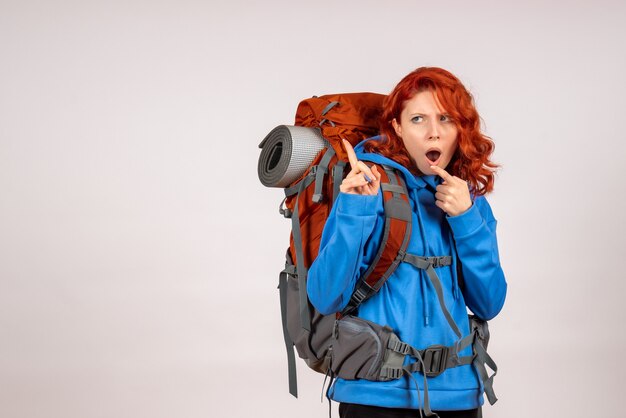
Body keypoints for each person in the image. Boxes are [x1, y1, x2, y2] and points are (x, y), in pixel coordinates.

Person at [307, 67, 507, 418]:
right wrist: (356, 210)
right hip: (376, 397)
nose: (433, 132)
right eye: (418, 119)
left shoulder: (468, 201)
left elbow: (489, 303)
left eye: (445, 118)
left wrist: (467, 220)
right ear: (397, 127)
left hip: (460, 395)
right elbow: (326, 297)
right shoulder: (367, 187)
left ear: (461, 127)